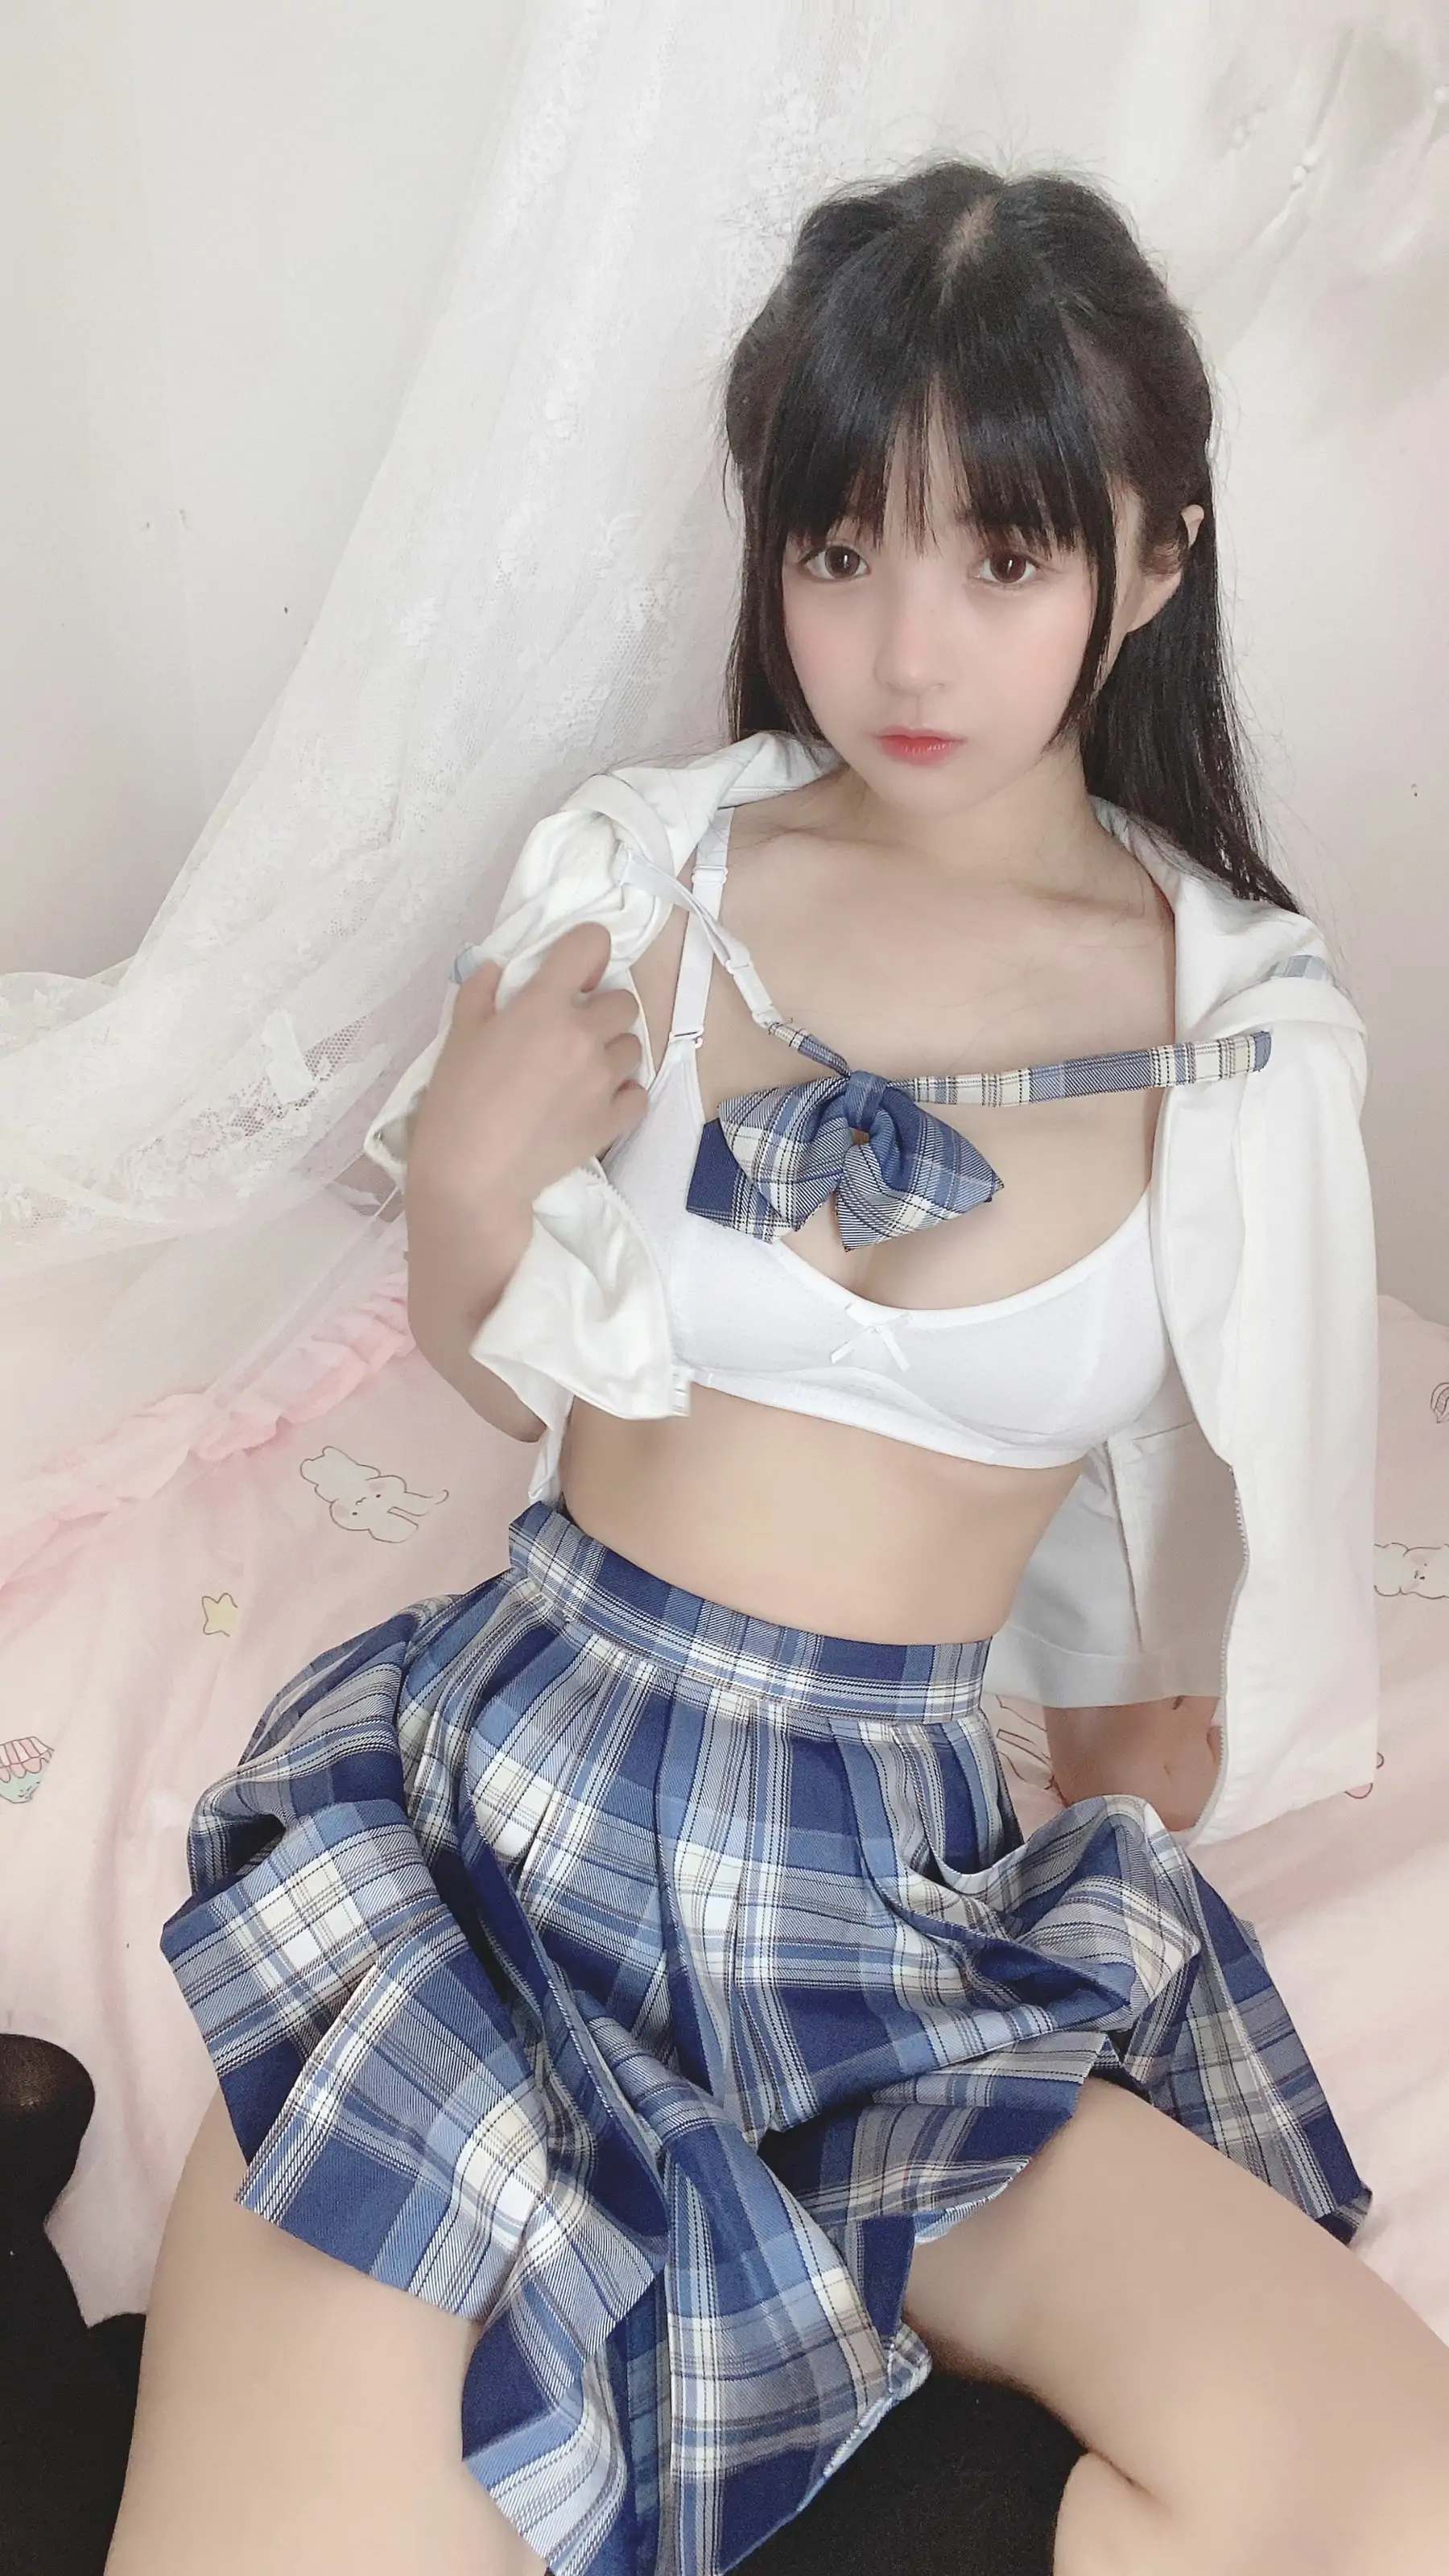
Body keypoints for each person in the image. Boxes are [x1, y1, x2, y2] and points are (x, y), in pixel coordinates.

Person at [107, 159, 1449, 2576]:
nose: (906, 651)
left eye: (1002, 560)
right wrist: (464, 1190)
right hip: (524, 1809)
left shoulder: (1244, 1041)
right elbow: (503, 1373)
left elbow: (1199, 1528)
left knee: (1387, 2477)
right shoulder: (648, 878)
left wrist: (1126, 1775)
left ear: (1156, 557)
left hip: (882, 1896)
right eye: (842, 552)